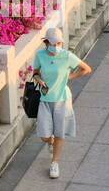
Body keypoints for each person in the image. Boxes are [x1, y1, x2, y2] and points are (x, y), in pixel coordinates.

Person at [31, 27, 92, 179]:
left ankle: (55, 163)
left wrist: (70, 77)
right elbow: (35, 73)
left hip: (62, 100)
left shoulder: (67, 56)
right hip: (45, 99)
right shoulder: (40, 55)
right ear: (46, 42)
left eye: (59, 43)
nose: (56, 46)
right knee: (44, 134)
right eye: (53, 43)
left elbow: (86, 69)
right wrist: (39, 80)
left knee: (60, 132)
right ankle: (50, 142)